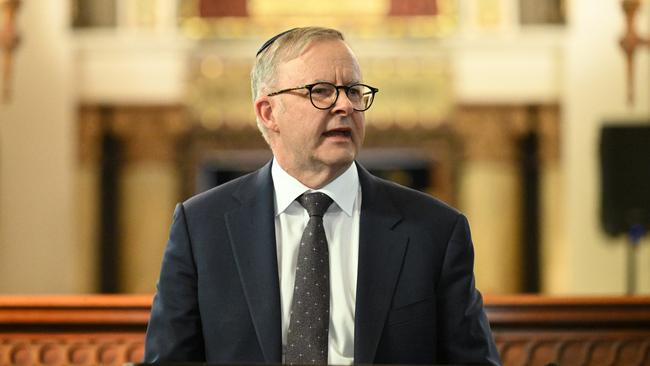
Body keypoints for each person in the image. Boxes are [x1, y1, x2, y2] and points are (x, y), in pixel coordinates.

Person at [144, 26, 501, 365]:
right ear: (268, 113)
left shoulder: (434, 229)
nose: (344, 106)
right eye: (321, 91)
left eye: (354, 91)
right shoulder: (202, 227)